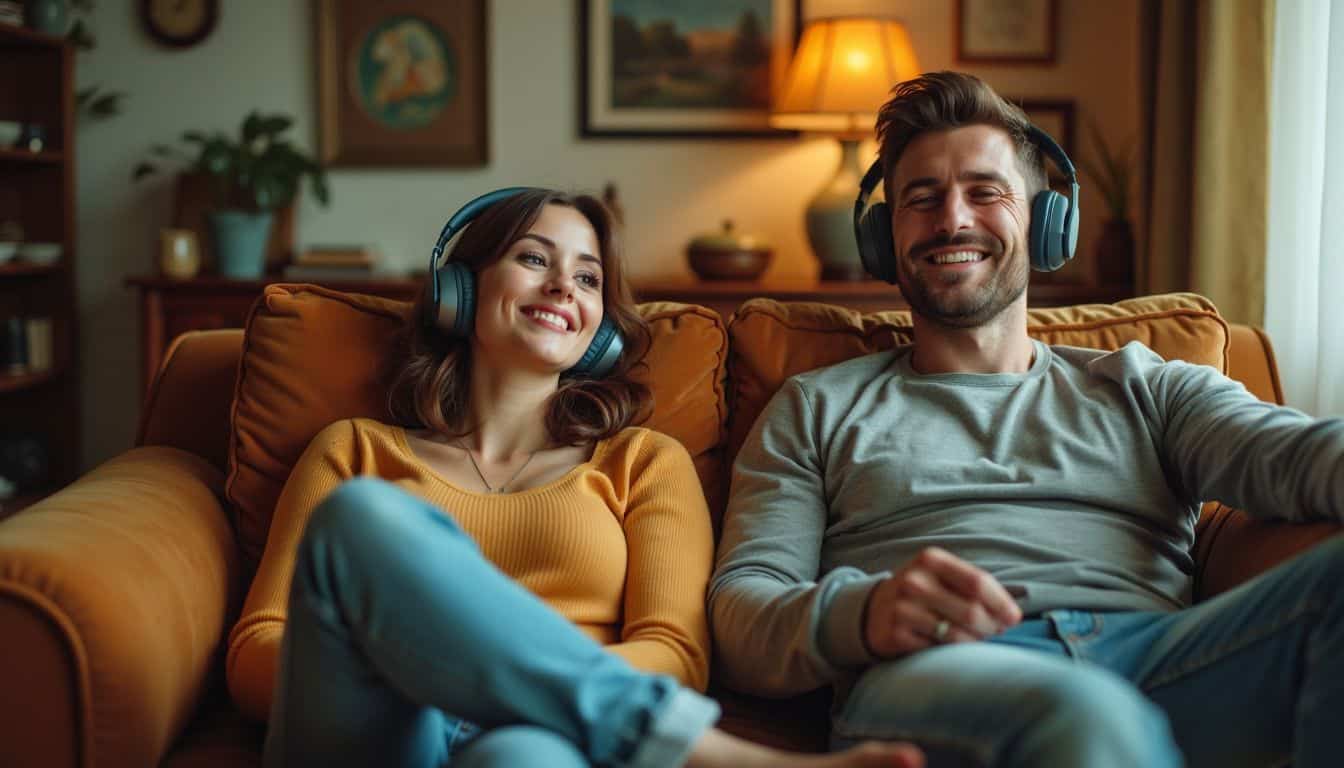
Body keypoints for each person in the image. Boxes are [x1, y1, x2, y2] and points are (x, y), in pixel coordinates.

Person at [709, 72, 1344, 768]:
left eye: (985, 192)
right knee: (1084, 716)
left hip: (1161, 659)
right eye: (922, 199)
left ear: (1046, 223)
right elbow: (742, 617)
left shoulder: (1148, 387)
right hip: (940, 674)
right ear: (883, 241)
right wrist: (863, 612)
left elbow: (1302, 456)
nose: (952, 220)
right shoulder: (815, 407)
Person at [225, 187, 923, 768]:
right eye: (534, 259)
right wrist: (428, 666)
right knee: (364, 517)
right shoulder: (355, 450)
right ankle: (708, 753)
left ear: (600, 326)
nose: (563, 285)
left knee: (525, 760)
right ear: (459, 290)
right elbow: (258, 648)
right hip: (374, 731)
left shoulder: (641, 462)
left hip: (548, 739)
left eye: (587, 277)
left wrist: (493, 684)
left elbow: (677, 654)